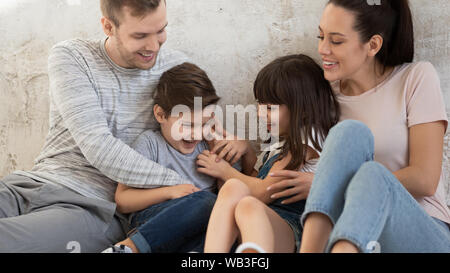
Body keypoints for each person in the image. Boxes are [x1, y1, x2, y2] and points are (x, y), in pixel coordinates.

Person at [0, 0, 246, 253]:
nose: (154, 46)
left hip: (90, 205)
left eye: (161, 30)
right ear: (108, 26)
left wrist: (237, 147)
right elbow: (98, 145)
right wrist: (183, 188)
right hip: (28, 184)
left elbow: (206, 127)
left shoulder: (175, 68)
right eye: (140, 35)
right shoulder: (73, 56)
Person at [268, 0, 450, 253]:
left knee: (372, 174)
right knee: (348, 133)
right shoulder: (323, 99)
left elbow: (425, 179)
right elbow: (287, 152)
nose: (322, 49)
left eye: (336, 41)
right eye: (321, 36)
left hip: (422, 230)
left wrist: (326, 184)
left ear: (373, 45)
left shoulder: (415, 78)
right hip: (353, 235)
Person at [198, 54, 340, 253]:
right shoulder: (279, 144)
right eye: (260, 104)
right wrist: (247, 152)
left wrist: (224, 171)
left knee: (239, 193)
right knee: (244, 203)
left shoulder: (307, 137)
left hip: (294, 230)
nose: (259, 112)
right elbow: (257, 181)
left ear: (303, 109)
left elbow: (263, 192)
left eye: (270, 107)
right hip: (266, 222)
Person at [102, 62, 232, 253]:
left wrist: (218, 145)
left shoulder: (209, 143)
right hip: (155, 221)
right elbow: (122, 200)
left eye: (203, 124)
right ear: (161, 115)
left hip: (197, 230)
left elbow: (230, 190)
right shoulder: (150, 144)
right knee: (206, 202)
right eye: (187, 125)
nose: (195, 135)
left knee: (223, 222)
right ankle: (128, 249)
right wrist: (169, 192)